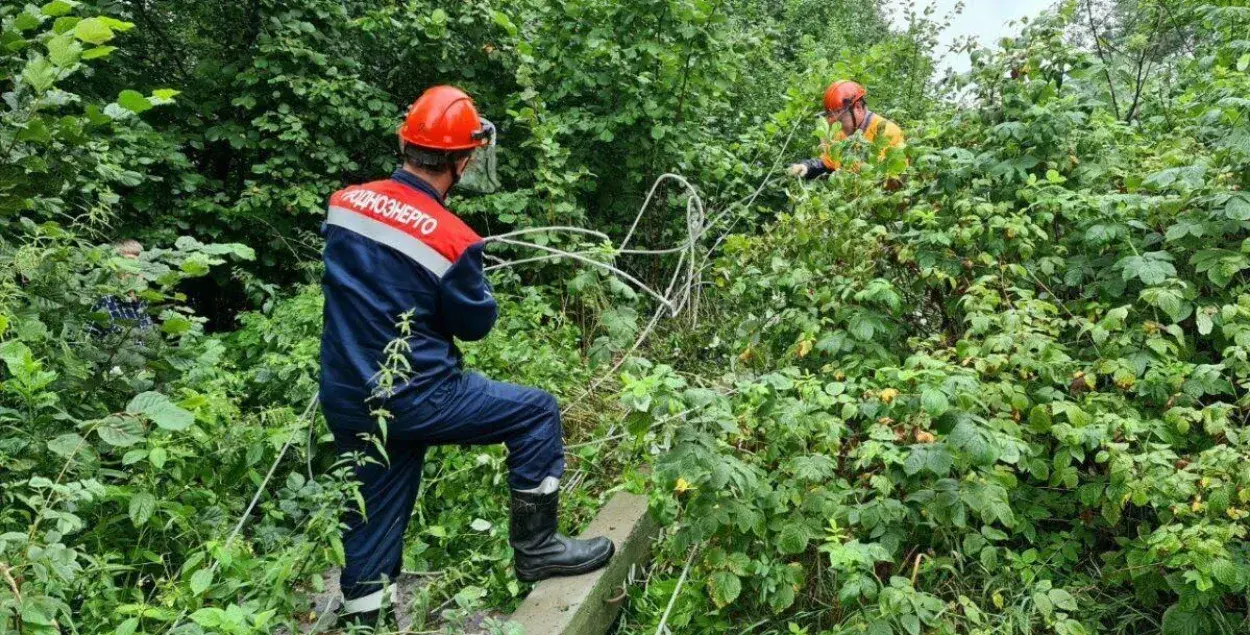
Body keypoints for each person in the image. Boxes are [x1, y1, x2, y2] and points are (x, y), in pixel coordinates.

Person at [318, 85, 614, 628]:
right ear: (461, 157)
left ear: (407, 144)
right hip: (420, 395)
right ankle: (538, 548)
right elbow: (474, 326)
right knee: (536, 412)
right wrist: (475, 288)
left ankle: (366, 621)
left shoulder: (345, 203)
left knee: (371, 512)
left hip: (347, 395)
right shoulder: (455, 240)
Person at [788, 80, 905, 179]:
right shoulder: (841, 134)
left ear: (858, 108)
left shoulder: (888, 133)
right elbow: (827, 163)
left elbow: (893, 180)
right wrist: (806, 166)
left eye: (841, 121)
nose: (839, 127)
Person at [90, 239, 155, 336]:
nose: (135, 269)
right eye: (129, 262)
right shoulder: (106, 303)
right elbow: (86, 343)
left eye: (140, 263)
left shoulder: (143, 305)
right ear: (116, 270)